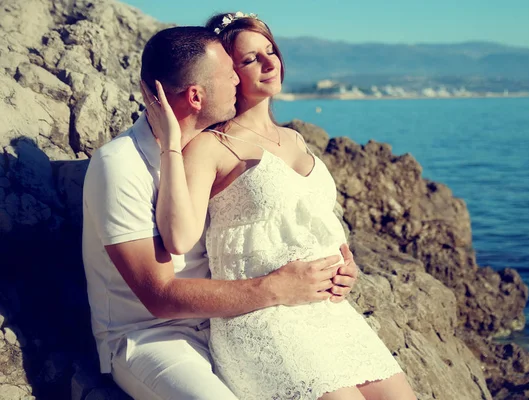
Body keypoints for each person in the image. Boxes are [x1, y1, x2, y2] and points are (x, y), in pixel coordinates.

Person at [144, 12, 417, 400]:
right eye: (251, 58)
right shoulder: (212, 146)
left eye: (270, 51)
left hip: (328, 312)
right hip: (263, 318)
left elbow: (311, 220)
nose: (270, 63)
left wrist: (345, 266)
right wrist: (172, 144)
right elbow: (178, 237)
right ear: (230, 73)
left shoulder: (295, 139)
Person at [82, 25, 360, 400]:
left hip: (230, 321)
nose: (237, 79)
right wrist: (276, 288)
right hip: (152, 338)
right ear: (196, 96)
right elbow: (159, 296)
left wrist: (333, 267)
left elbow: (267, 229)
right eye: (230, 72)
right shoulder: (121, 164)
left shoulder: (213, 149)